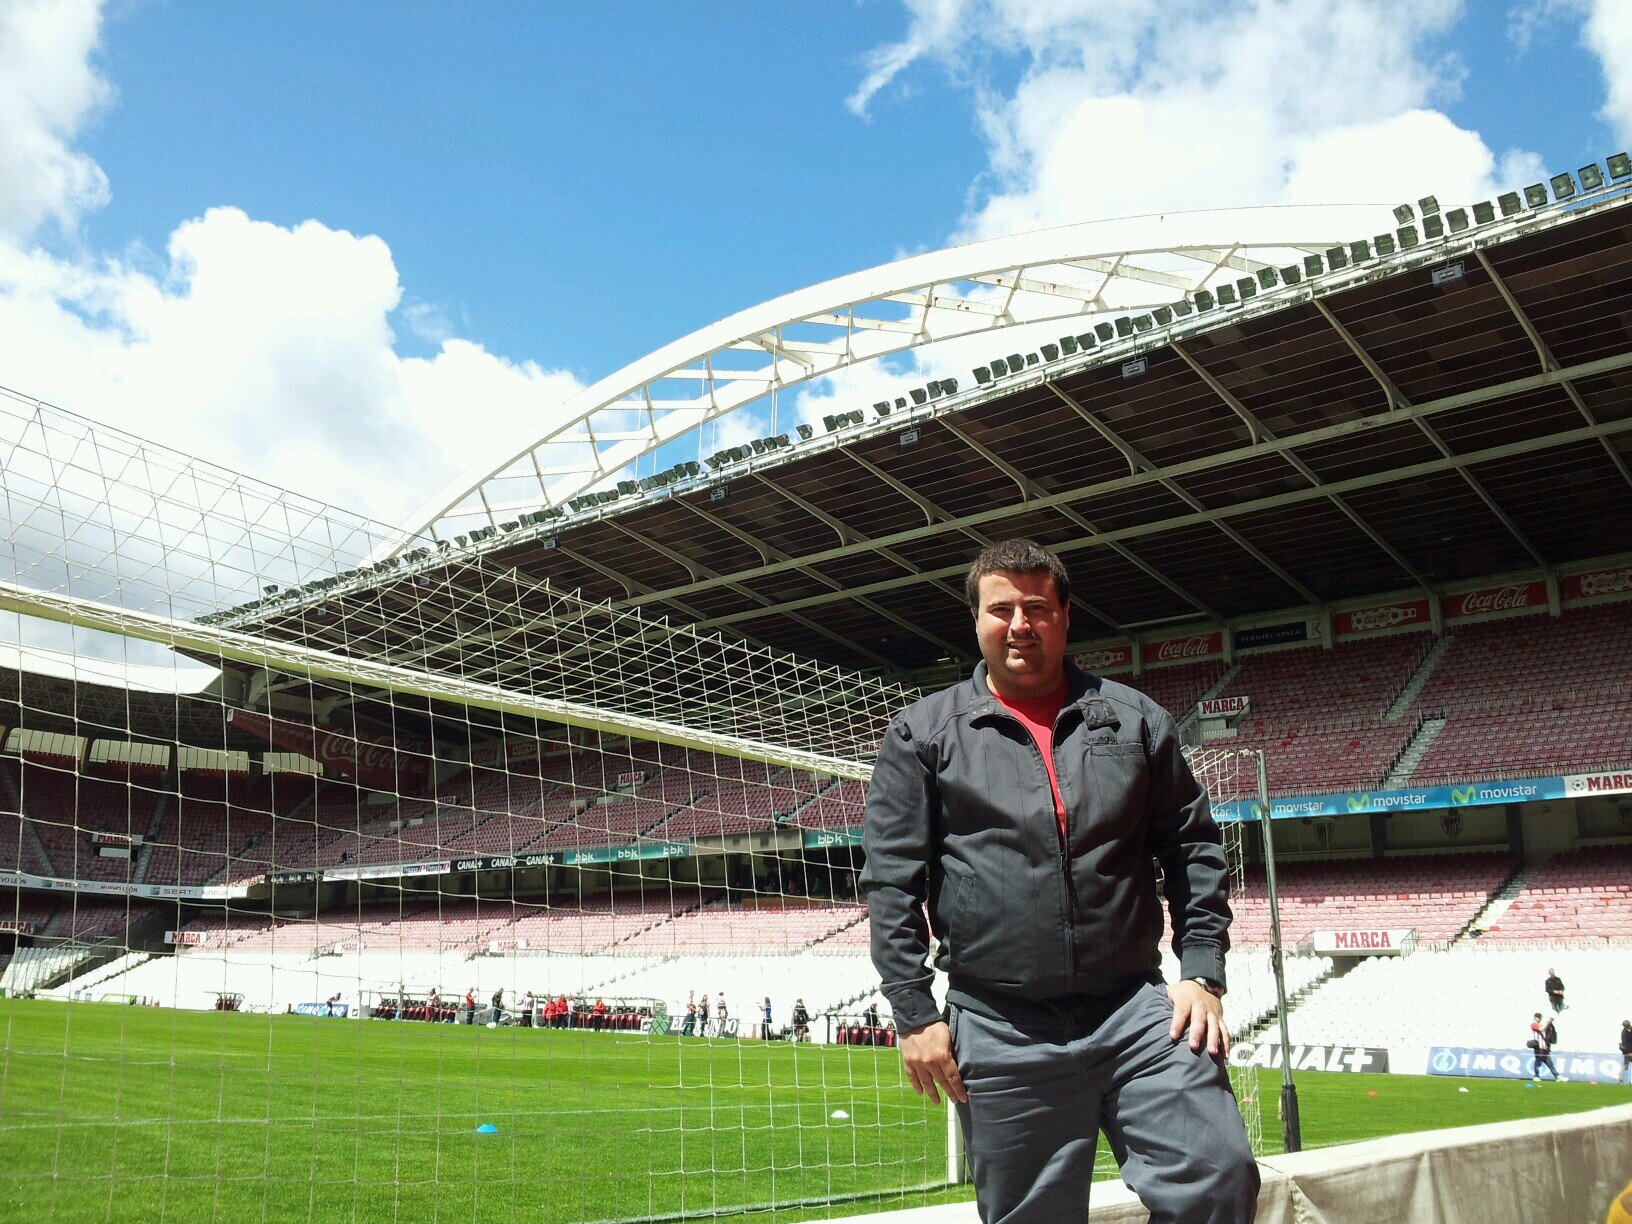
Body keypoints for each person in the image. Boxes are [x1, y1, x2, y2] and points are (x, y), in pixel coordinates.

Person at [862, 538, 1258, 1223]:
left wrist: (1201, 970)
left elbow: (1192, 846)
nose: (1020, 624)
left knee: (1219, 1176)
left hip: (1136, 1014)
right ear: (977, 621)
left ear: (1065, 617)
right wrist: (915, 1015)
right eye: (1001, 609)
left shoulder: (1135, 721)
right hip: (998, 1025)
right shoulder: (922, 735)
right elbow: (891, 883)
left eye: (1037, 607)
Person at [1528, 1013, 1559, 1080]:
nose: (1539, 1019)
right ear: (1535, 1018)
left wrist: (1550, 1023)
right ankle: (1536, 1076)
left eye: (1540, 1017)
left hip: (1545, 1048)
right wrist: (1548, 1022)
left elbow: (1547, 1032)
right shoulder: (1534, 1024)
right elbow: (1541, 1029)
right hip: (1538, 1047)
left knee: (1550, 1063)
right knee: (1538, 1062)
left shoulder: (1542, 1025)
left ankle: (1557, 1076)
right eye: (1538, 1017)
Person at [1619, 1020, 1631, 1084]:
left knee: (1625, 1066)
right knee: (1625, 1066)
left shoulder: (1627, 1031)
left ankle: (1620, 1079)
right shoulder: (1625, 1033)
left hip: (1627, 1052)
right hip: (1628, 1052)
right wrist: (1629, 1052)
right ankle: (1620, 1079)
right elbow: (1626, 1043)